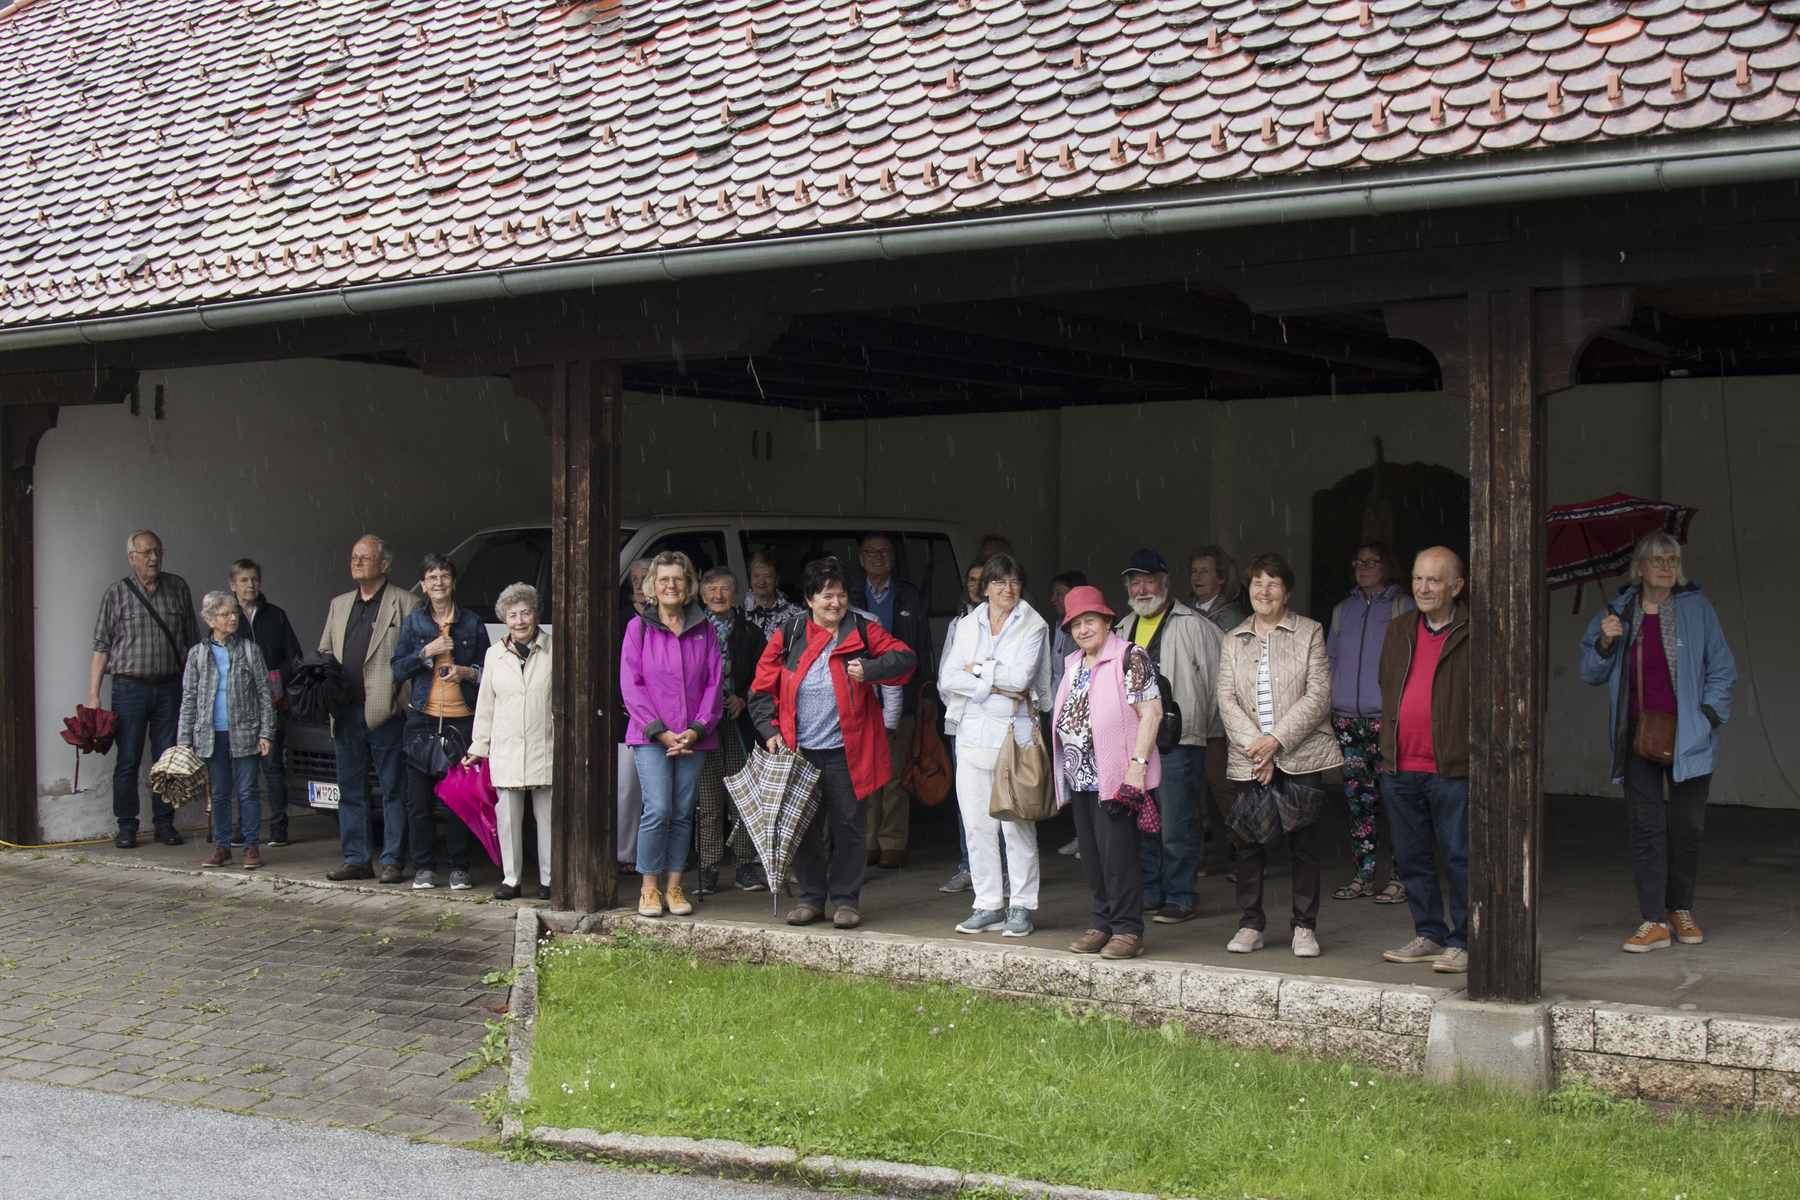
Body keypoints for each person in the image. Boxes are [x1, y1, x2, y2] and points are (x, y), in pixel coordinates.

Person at [1581, 532, 1737, 954]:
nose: (1666, 567)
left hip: (1689, 733)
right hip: (1637, 734)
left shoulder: (1697, 608)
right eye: (1657, 560)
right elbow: (1590, 672)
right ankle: (1653, 919)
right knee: (1646, 827)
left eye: (1672, 560)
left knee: (1687, 827)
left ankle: (1679, 908)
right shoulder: (1617, 611)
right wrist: (1606, 641)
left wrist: (1708, 717)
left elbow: (1722, 669)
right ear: (1640, 567)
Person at [749, 556, 917, 929]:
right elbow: (761, 687)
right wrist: (770, 730)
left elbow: (905, 658)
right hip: (800, 751)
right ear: (810, 599)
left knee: (849, 826)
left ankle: (845, 900)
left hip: (847, 751)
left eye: (840, 595)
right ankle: (811, 898)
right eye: (827, 596)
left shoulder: (862, 629)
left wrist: (871, 669)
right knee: (805, 827)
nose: (835, 603)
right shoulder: (791, 631)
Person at [1217, 553, 1342, 958]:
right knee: (1248, 843)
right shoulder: (1234, 638)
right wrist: (1258, 747)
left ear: (1286, 592)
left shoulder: (1310, 632)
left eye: (1273, 583)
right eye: (1257, 582)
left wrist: (1276, 741)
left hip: (1301, 754)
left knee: (1303, 843)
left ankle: (1304, 926)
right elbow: (1226, 699)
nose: (1264, 590)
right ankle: (1251, 923)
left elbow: (1319, 696)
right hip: (1250, 756)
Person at [939, 553, 1050, 938]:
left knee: (1016, 824)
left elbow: (1021, 679)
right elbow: (948, 677)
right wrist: (994, 684)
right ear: (984, 587)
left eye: (1015, 582)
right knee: (977, 826)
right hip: (971, 734)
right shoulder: (968, 624)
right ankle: (988, 904)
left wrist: (977, 669)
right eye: (1000, 582)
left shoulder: (1032, 623)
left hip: (1013, 735)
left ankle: (1021, 906)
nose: (1008, 589)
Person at [1052, 585, 1163, 960]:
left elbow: (1152, 713)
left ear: (1106, 621)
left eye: (1090, 621)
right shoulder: (1074, 663)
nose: (1083, 630)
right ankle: (1102, 923)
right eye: (1076, 624)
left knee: (1119, 857)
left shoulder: (1130, 656)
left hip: (1116, 778)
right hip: (1080, 777)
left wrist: (1137, 768)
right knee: (1093, 856)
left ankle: (1128, 930)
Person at [1114, 549, 1223, 925]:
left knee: (1178, 824)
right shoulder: (1121, 628)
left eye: (1149, 581)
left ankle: (1181, 896)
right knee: (1141, 821)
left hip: (1179, 742)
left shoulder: (1195, 625)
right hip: (1135, 743)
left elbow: (1218, 683)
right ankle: (1150, 891)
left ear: (1165, 583)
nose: (1142, 589)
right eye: (1135, 583)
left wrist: (1195, 726)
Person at [1376, 548, 1472, 975]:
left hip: (1452, 766)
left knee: (1459, 857)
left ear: (1456, 586)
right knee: (1411, 857)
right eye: (1418, 578)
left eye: (1434, 580)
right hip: (1401, 765)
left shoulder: (1474, 630)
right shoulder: (1400, 628)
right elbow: (1387, 681)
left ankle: (1466, 940)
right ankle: (1430, 933)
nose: (1423, 588)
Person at [620, 550, 723, 919]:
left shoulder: (705, 628)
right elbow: (631, 685)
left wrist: (697, 729)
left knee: (682, 812)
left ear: (688, 584)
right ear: (652, 585)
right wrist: (661, 732)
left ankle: (674, 887)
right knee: (659, 809)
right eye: (663, 579)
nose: (671, 585)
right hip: (651, 737)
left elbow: (714, 682)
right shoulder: (638, 628)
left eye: (678, 578)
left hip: (694, 737)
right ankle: (648, 889)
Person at [318, 535, 422, 883]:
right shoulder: (339, 604)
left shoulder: (406, 602)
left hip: (386, 713)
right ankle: (356, 859)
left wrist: (401, 703)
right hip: (345, 712)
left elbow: (417, 658)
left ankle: (392, 861)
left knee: (394, 789)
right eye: (354, 557)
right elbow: (325, 652)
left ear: (384, 564)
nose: (357, 562)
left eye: (364, 557)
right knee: (350, 790)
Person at [91, 530, 200, 849]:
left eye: (158, 551)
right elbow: (101, 647)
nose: (154, 558)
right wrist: (93, 695)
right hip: (129, 689)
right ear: (132, 557)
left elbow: (192, 643)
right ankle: (126, 826)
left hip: (170, 687)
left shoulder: (178, 588)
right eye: (147, 552)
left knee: (168, 759)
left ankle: (164, 824)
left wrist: (197, 690)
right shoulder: (116, 594)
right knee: (127, 759)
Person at [391, 553, 488, 891]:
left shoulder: (472, 622)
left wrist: (466, 672)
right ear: (423, 585)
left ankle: (459, 868)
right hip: (421, 718)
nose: (439, 582)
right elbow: (397, 668)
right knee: (419, 801)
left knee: (459, 799)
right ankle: (423, 868)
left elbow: (489, 670)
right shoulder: (413, 623)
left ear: (454, 582)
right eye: (431, 577)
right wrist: (426, 652)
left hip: (462, 721)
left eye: (444, 576)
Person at [1325, 542, 1413, 904]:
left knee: (1398, 803)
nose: (1362, 567)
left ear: (1387, 566)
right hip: (1348, 722)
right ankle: (1363, 875)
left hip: (1389, 721)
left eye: (1371, 562)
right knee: (1360, 806)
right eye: (1358, 562)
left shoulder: (1404, 607)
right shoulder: (1342, 611)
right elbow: (1330, 661)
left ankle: (1401, 877)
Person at [850, 531, 935, 870]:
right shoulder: (851, 593)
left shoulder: (908, 593)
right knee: (867, 772)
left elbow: (923, 646)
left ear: (893, 557)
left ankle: (892, 842)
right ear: (860, 558)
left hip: (903, 690)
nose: (878, 557)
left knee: (897, 772)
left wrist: (927, 690)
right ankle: (868, 841)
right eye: (870, 552)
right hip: (862, 694)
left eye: (884, 551)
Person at [467, 583, 554, 901]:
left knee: (548, 818)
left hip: (544, 745)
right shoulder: (494, 654)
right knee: (507, 818)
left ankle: (549, 879)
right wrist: (479, 746)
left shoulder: (555, 649)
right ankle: (511, 879)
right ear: (505, 619)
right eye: (512, 615)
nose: (519, 621)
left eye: (525, 613)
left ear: (536, 615)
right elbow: (485, 704)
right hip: (506, 747)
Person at [178, 590, 276, 869]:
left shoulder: (249, 650)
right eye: (226, 614)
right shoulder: (197, 654)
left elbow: (265, 694)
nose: (233, 618)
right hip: (211, 734)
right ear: (210, 620)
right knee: (219, 793)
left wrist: (266, 732)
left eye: (234, 612)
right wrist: (184, 739)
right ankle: (222, 847)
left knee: (248, 791)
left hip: (245, 731)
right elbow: (189, 698)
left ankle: (250, 847)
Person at [692, 566, 769, 894]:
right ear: (702, 596)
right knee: (709, 800)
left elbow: (765, 675)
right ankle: (708, 868)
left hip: (740, 724)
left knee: (742, 797)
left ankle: (744, 865)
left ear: (735, 595)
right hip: (705, 726)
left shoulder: (750, 633)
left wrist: (745, 698)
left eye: (725, 589)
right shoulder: (694, 631)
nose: (719, 595)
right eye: (712, 590)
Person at [229, 560, 303, 847]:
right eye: (244, 580)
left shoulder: (276, 615)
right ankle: (244, 826)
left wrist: (276, 677)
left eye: (254, 579)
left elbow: (294, 656)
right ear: (232, 585)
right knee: (243, 768)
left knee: (272, 766)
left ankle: (278, 825)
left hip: (272, 703)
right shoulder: (227, 617)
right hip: (238, 706)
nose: (250, 585)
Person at [1190, 544, 1247, 875]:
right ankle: (1193, 858)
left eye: (1206, 571)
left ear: (1222, 578)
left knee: (1222, 786)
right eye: (1194, 571)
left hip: (1217, 718)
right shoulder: (1182, 613)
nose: (1198, 577)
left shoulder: (1232, 618)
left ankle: (1246, 851)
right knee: (1188, 790)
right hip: (1187, 715)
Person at [937, 555, 987, 894]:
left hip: (997, 723)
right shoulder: (959, 623)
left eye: (984, 579)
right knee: (967, 800)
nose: (977, 585)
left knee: (1002, 801)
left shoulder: (1014, 623)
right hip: (964, 721)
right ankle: (970, 866)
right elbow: (946, 678)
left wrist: (976, 680)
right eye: (971, 579)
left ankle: (1004, 870)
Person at [615, 557, 653, 874]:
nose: (639, 584)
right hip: (626, 715)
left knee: (660, 797)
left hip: (664, 719)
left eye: (645, 578)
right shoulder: (620, 621)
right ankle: (626, 853)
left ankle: (660, 855)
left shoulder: (668, 619)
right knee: (627, 789)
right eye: (635, 579)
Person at [1049, 569, 1089, 860]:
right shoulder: (1057, 625)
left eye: (1058, 593)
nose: (1053, 599)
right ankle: (1082, 834)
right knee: (1069, 774)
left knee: (1084, 774)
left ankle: (1087, 837)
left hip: (1078, 715)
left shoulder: (1084, 629)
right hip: (1058, 711)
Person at [741, 549, 803, 637]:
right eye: (756, 576)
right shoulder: (739, 613)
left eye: (768, 576)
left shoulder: (795, 613)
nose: (761, 582)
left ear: (776, 580)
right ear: (750, 579)